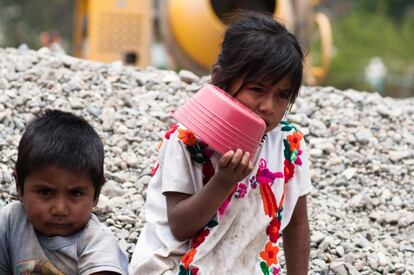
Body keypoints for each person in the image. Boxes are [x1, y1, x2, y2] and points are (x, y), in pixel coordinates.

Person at [130, 11, 311, 274]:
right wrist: (223, 181)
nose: (268, 106)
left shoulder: (288, 145)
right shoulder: (186, 140)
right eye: (257, 89)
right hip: (172, 265)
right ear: (219, 79)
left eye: (282, 95)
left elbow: (296, 224)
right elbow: (180, 226)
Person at [0, 110, 128, 275]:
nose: (60, 209)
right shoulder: (10, 222)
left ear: (96, 195)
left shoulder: (97, 242)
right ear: (19, 186)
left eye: (76, 193)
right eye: (45, 192)